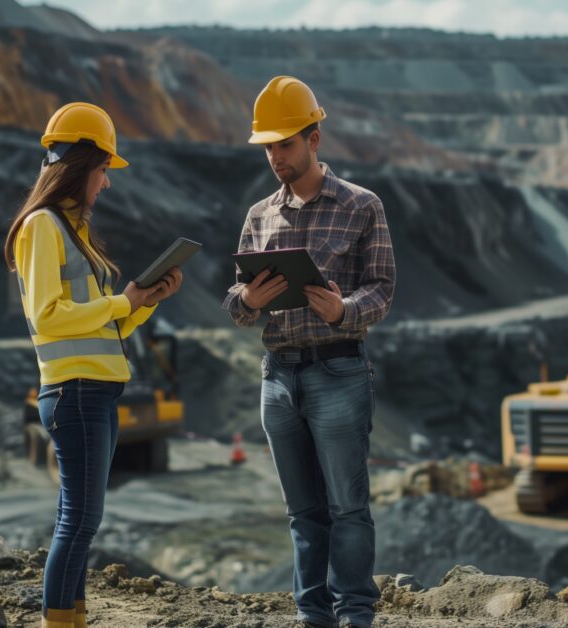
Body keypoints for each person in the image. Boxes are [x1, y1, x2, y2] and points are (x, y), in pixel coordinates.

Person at [223, 76, 396, 628]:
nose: (276, 157)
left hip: (339, 371)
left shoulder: (362, 206)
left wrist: (342, 310)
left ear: (315, 137)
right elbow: (236, 301)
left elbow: (383, 288)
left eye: (286, 144)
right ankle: (312, 617)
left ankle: (355, 616)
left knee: (347, 506)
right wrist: (246, 298)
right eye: (269, 147)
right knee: (303, 513)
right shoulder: (258, 216)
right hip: (278, 377)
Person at [4, 102, 183, 628]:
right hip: (74, 392)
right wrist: (124, 302)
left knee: (81, 521)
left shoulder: (72, 231)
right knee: (78, 521)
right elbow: (48, 316)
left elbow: (99, 326)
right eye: (104, 170)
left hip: (96, 391)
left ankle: (71, 620)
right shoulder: (42, 226)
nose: (107, 184)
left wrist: (145, 302)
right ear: (80, 165)